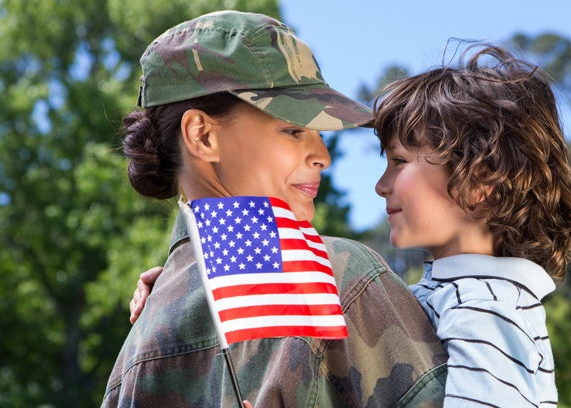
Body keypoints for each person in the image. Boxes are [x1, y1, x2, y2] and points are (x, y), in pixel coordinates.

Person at [102, 10, 447, 408]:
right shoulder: (340, 278)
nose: (322, 156)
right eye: (293, 130)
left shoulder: (136, 348)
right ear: (203, 136)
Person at [372, 43, 571, 406]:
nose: (381, 185)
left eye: (400, 161)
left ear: (478, 184)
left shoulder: (484, 309)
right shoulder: (463, 297)